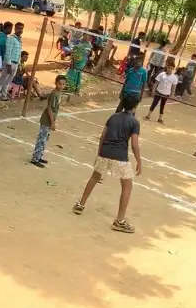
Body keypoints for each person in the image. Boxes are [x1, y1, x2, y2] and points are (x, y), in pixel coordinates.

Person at [72, 94, 143, 234]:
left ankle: (80, 204)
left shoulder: (113, 117)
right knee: (127, 186)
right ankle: (119, 221)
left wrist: (100, 153)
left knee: (95, 177)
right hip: (120, 156)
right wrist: (139, 162)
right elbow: (134, 145)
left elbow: (103, 136)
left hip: (105, 152)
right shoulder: (134, 122)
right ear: (135, 106)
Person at [30, 75, 67, 168]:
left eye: (63, 84)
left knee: (45, 139)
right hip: (47, 120)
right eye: (59, 84)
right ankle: (35, 158)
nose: (61, 86)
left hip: (50, 119)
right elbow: (49, 108)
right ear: (55, 83)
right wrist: (52, 122)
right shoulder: (54, 94)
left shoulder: (58, 93)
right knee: (41, 139)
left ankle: (39, 156)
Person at [0, 22, 23, 100]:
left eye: (21, 28)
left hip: (16, 63)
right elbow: (8, 52)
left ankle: (3, 95)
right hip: (9, 63)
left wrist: (19, 64)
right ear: (15, 29)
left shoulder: (20, 40)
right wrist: (9, 64)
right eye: (18, 28)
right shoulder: (11, 39)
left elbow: (19, 53)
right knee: (3, 79)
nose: (20, 30)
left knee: (8, 81)